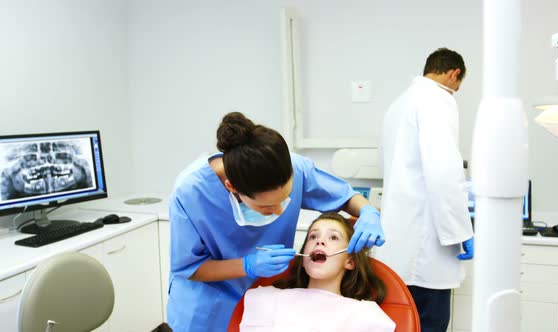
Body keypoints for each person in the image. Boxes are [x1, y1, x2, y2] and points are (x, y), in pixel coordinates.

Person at [167, 112, 385, 331]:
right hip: (207, 311)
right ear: (231, 187)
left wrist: (368, 211)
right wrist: (247, 265)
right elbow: (189, 267)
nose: (280, 211)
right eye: (266, 207)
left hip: (264, 297)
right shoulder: (190, 193)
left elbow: (346, 197)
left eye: (286, 199)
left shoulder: (295, 168)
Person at [376, 47, 474, 332]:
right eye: (458, 85)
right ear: (454, 74)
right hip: (427, 242)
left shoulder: (399, 103)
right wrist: (461, 233)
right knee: (430, 322)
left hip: (397, 243)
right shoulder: (438, 99)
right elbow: (445, 173)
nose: (455, 91)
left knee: (400, 322)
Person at [240, 212, 396, 331]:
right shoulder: (266, 298)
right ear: (303, 256)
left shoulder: (366, 314)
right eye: (313, 236)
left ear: (350, 261)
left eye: (333, 237)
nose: (319, 241)